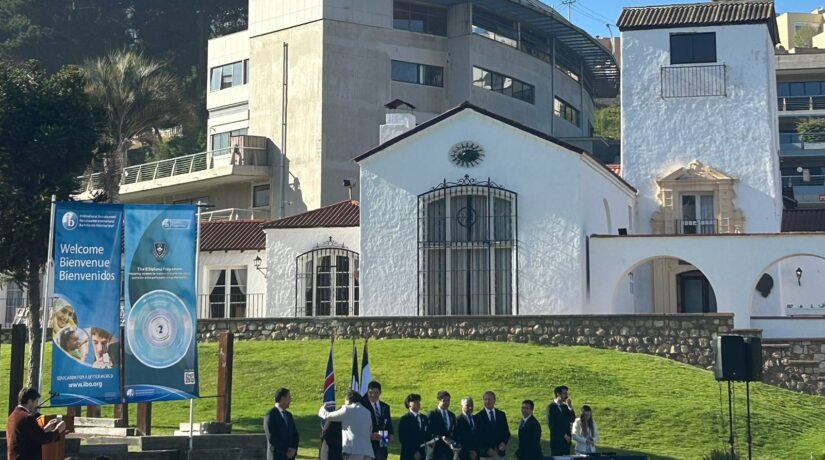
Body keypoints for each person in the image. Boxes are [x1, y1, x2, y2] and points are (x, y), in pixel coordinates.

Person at [6, 387, 65, 460]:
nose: (36, 405)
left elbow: (29, 435)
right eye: (36, 401)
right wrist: (58, 430)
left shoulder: (12, 416)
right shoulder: (27, 418)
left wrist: (46, 428)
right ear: (30, 401)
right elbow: (42, 439)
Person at [319, 390, 375, 460]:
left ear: (349, 400)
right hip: (368, 451)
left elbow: (327, 416)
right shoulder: (367, 412)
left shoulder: (346, 409)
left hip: (353, 450)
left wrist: (322, 408)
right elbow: (369, 431)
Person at [264, 387, 300, 460]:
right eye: (289, 397)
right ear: (282, 398)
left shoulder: (289, 415)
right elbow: (272, 438)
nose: (290, 400)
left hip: (289, 457)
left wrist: (293, 449)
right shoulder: (270, 415)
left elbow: (295, 434)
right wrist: (286, 450)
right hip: (277, 456)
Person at [474, 391, 509, 459]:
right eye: (485, 399)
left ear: (494, 400)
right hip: (486, 454)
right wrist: (487, 449)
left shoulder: (501, 415)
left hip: (500, 452)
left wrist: (504, 442)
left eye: (490, 399)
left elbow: (506, 432)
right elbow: (478, 436)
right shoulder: (478, 417)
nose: (487, 401)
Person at [364, 381, 394, 460]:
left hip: (382, 445)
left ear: (380, 392)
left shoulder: (385, 407)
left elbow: (388, 423)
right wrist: (370, 435)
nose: (373, 395)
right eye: (370, 392)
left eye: (376, 392)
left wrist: (391, 434)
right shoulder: (363, 407)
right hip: (368, 446)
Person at [426, 390, 456, 460]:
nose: (447, 403)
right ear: (438, 401)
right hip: (437, 450)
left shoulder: (452, 415)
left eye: (448, 400)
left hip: (449, 451)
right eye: (444, 400)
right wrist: (441, 438)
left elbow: (453, 431)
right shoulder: (432, 414)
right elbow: (428, 433)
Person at [547, 385, 576, 456]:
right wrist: (564, 435)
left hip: (566, 443)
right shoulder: (551, 407)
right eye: (564, 393)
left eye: (567, 393)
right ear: (558, 394)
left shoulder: (565, 407)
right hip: (557, 442)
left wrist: (570, 407)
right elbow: (552, 425)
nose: (566, 396)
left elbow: (572, 419)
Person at [399, 393, 428, 460]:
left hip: (421, 454)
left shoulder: (424, 418)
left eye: (419, 401)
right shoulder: (404, 419)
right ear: (408, 404)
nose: (418, 403)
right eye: (415, 401)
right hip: (408, 454)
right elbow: (403, 438)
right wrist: (414, 452)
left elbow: (425, 434)